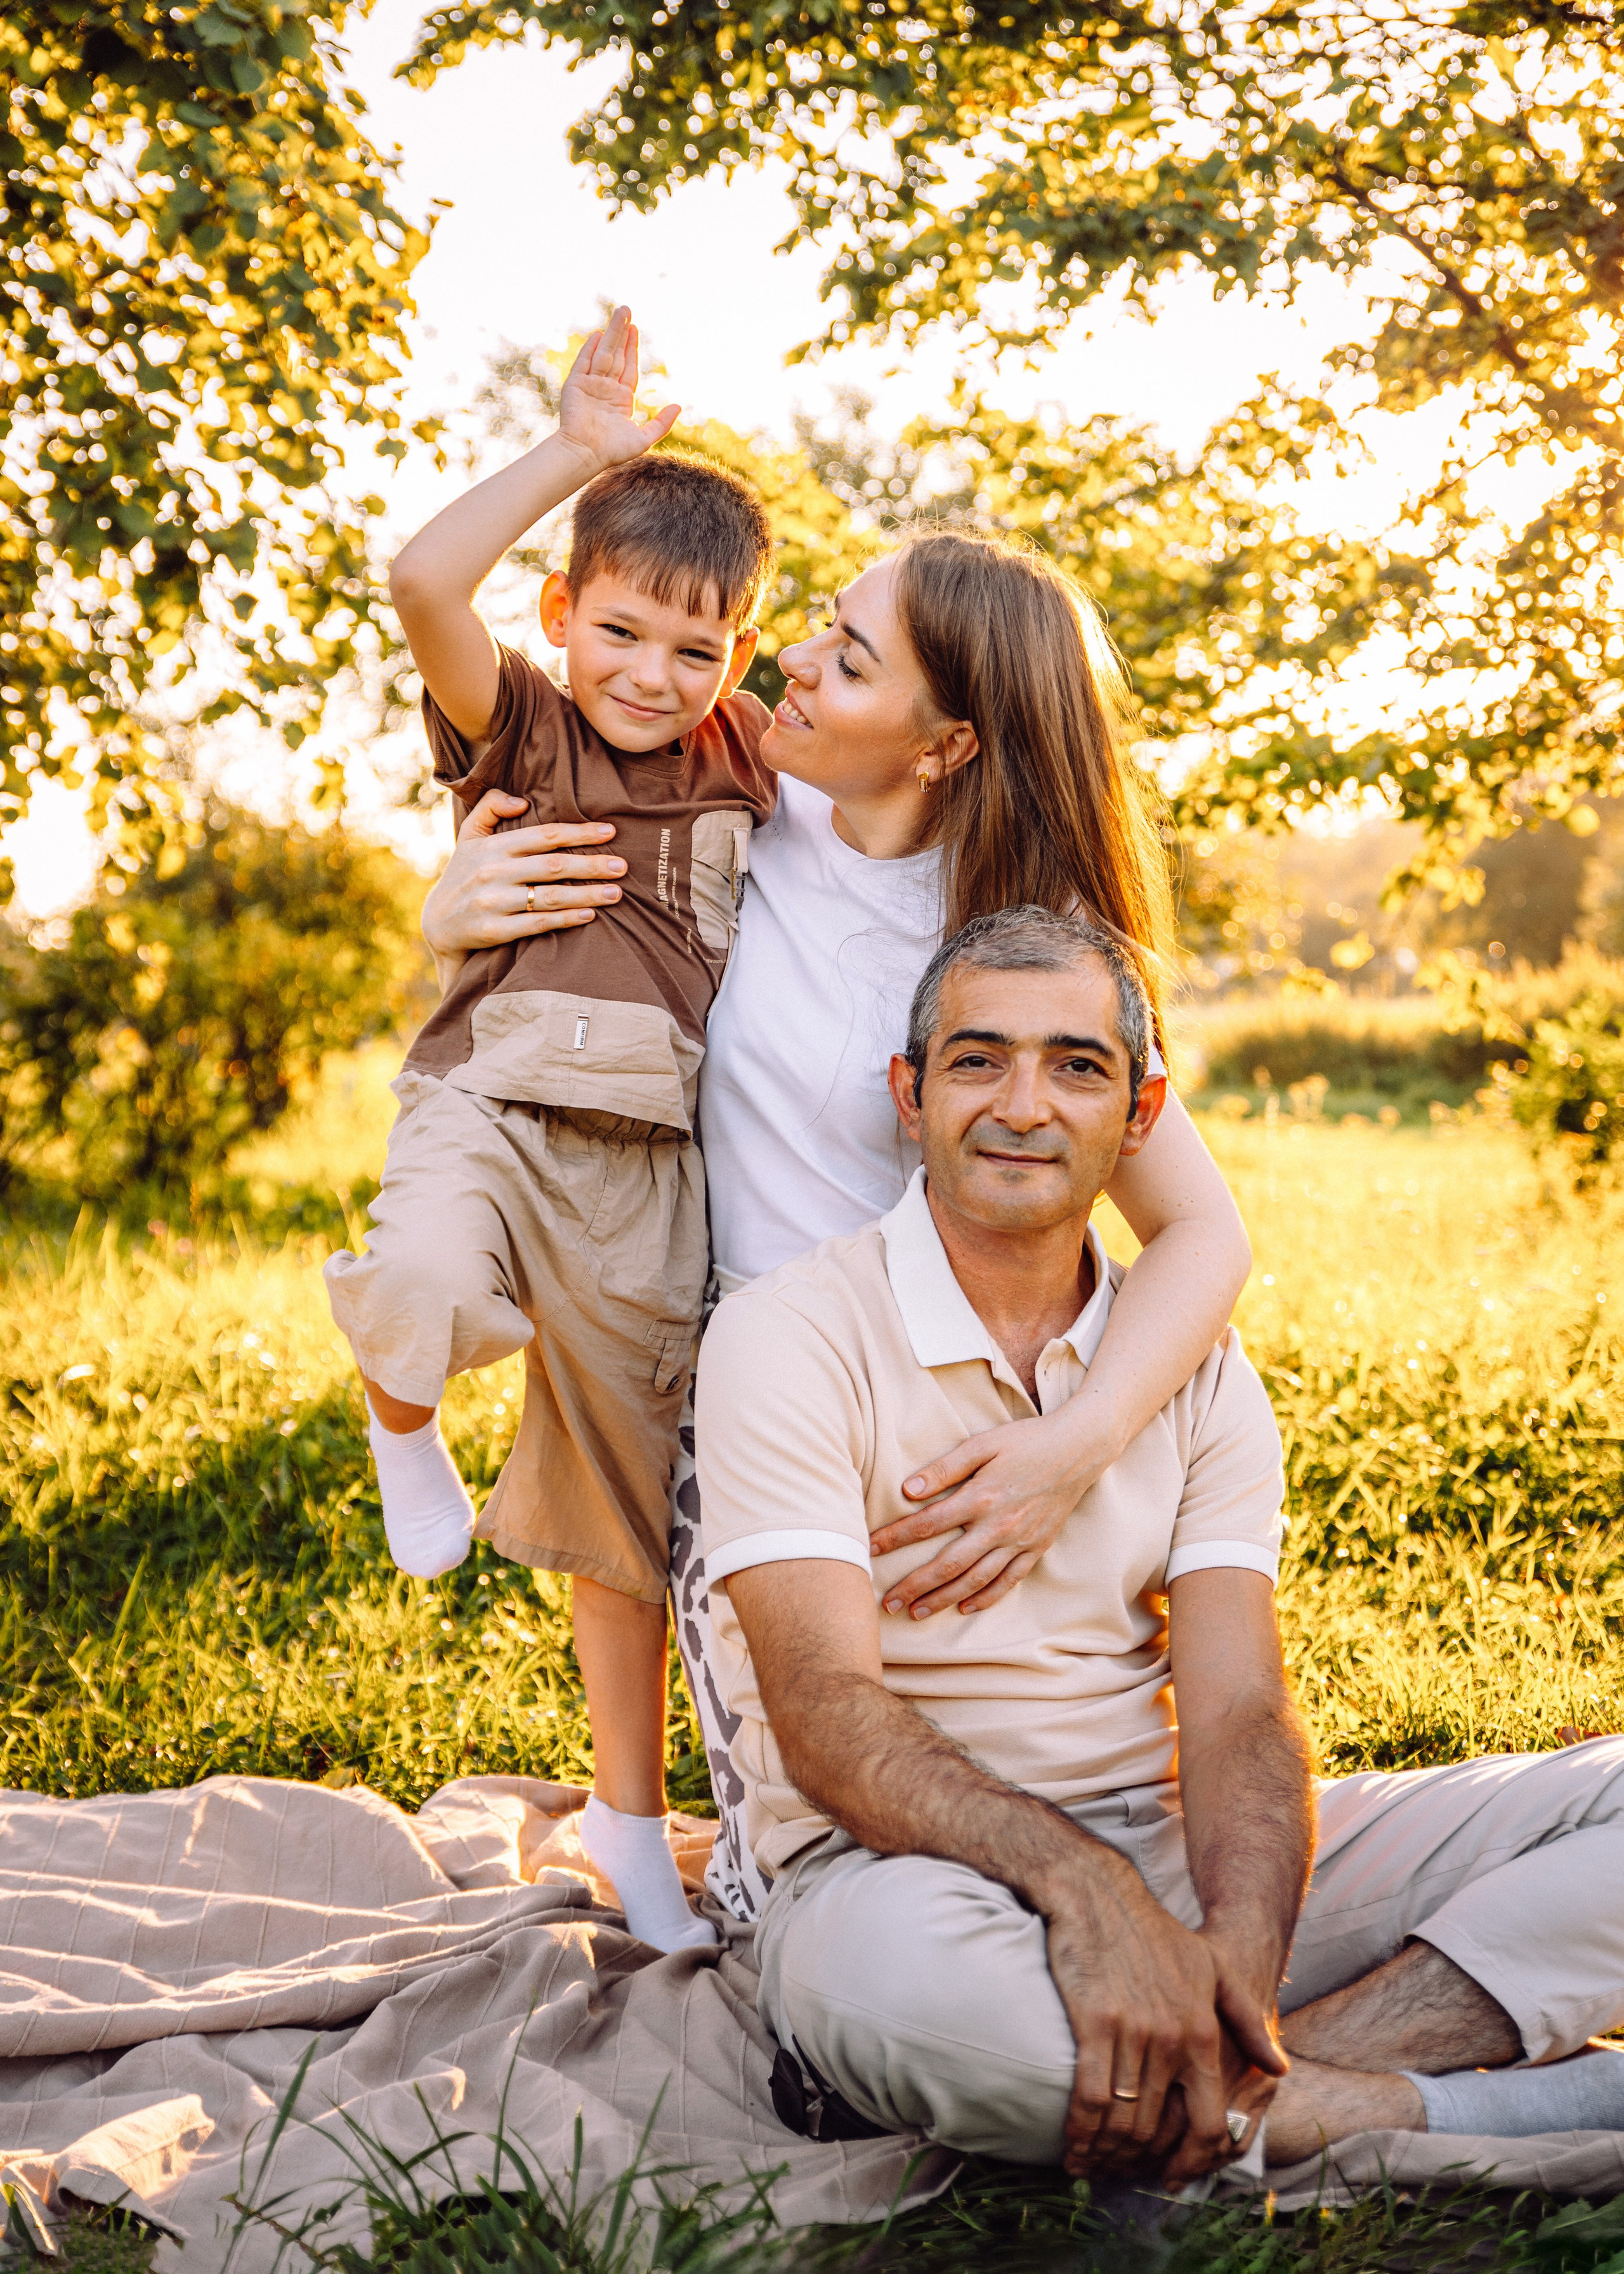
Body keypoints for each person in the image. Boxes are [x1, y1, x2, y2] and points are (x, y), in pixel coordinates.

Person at [695, 907, 1624, 2181]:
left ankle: (1263, 2070)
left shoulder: (1187, 1366)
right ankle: (1455, 2103)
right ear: (908, 1095)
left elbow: (1239, 1706)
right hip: (897, 1878)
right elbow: (821, 1711)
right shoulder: (786, 1337)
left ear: (1138, 1115)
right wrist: (1089, 1893)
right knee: (952, 2018)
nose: (1021, 1104)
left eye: (1075, 1066)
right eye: (976, 1060)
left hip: (1174, 1848)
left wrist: (1235, 1936)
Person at [421, 516, 1254, 1915]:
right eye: (819, 624)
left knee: (1042, 1817)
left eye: (847, 662)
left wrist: (1072, 1444)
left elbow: (1203, 1233)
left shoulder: (1024, 941)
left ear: (942, 746)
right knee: (802, 1878)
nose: (787, 663)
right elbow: (549, 880)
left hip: (960, 1428)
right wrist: (454, 910)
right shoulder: (730, 803)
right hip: (754, 1407)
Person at [324, 307, 776, 1953]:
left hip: (651, 1165)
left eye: (696, 648)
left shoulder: (747, 759)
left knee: (621, 1510)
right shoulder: (520, 718)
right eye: (625, 632)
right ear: (563, 616)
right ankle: (400, 1426)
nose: (654, 677)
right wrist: (581, 451)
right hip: (488, 1100)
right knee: (425, 1279)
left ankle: (633, 1826)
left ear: (742, 657)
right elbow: (420, 581)